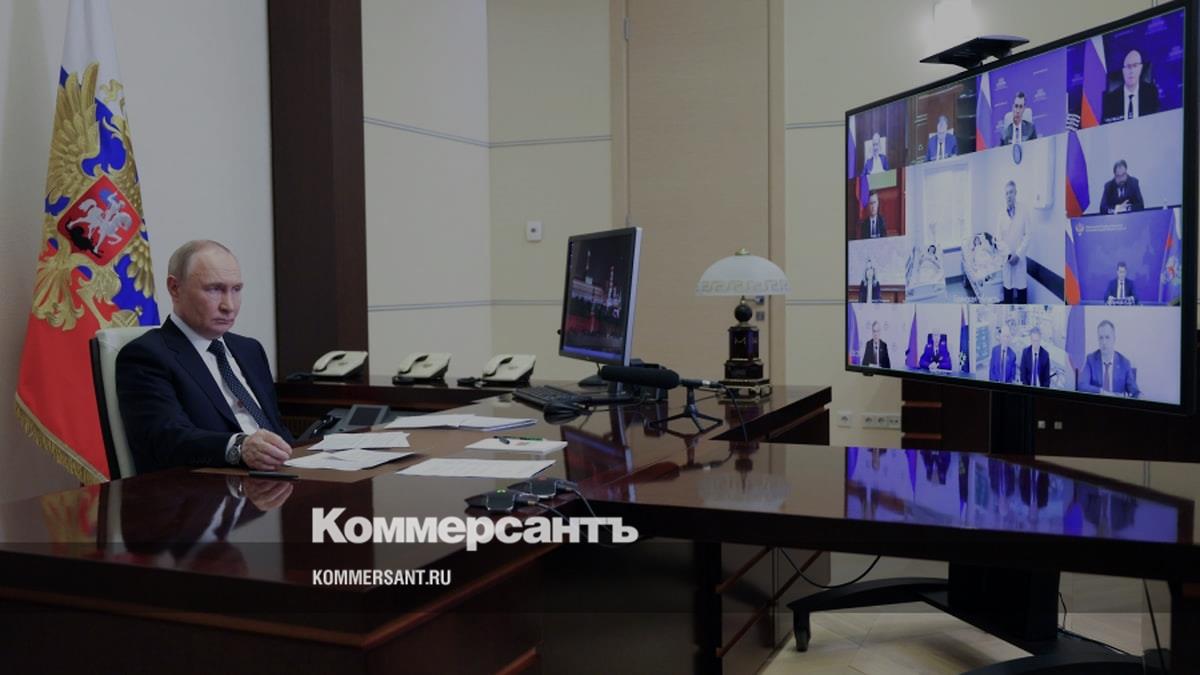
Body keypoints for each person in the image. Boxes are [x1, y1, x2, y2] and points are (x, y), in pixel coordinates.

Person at [116, 240, 296, 474]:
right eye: (214, 289)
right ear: (175, 288)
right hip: (206, 486)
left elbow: (276, 428)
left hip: (279, 476)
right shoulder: (146, 356)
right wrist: (239, 447)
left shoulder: (250, 350)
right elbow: (167, 439)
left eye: (236, 289)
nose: (229, 305)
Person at [1076, 320, 1140, 397]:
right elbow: (1082, 385)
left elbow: (1135, 392)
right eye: (1101, 338)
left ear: (1114, 339)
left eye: (1107, 337)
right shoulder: (1091, 360)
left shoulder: (1124, 363)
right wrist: (1102, 392)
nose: (1104, 342)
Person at [1102, 49, 1160, 124]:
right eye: (1128, 66)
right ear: (1122, 70)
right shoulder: (1110, 99)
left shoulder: (1151, 92)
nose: (1131, 71)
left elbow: (1157, 120)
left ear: (1141, 67)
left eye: (1135, 65)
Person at [997, 181, 1030, 304]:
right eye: (1006, 193)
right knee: (1008, 292)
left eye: (1011, 192)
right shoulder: (1001, 213)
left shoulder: (1024, 211)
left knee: (1021, 292)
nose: (1008, 196)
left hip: (1019, 259)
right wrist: (1009, 255)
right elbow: (998, 238)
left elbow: (1028, 235)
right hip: (1007, 259)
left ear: (1016, 193)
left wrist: (1018, 254)